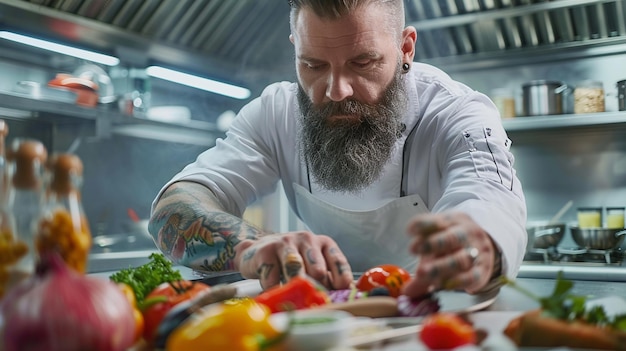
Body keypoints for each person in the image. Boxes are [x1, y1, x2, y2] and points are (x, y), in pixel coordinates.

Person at [149, 0, 527, 298]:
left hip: (439, 309)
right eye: (313, 65)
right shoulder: (274, 113)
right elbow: (177, 207)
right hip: (326, 317)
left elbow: (490, 200)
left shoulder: (457, 113)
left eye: (363, 62)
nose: (336, 91)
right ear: (296, 49)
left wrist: (478, 242)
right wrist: (252, 247)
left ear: (406, 48)